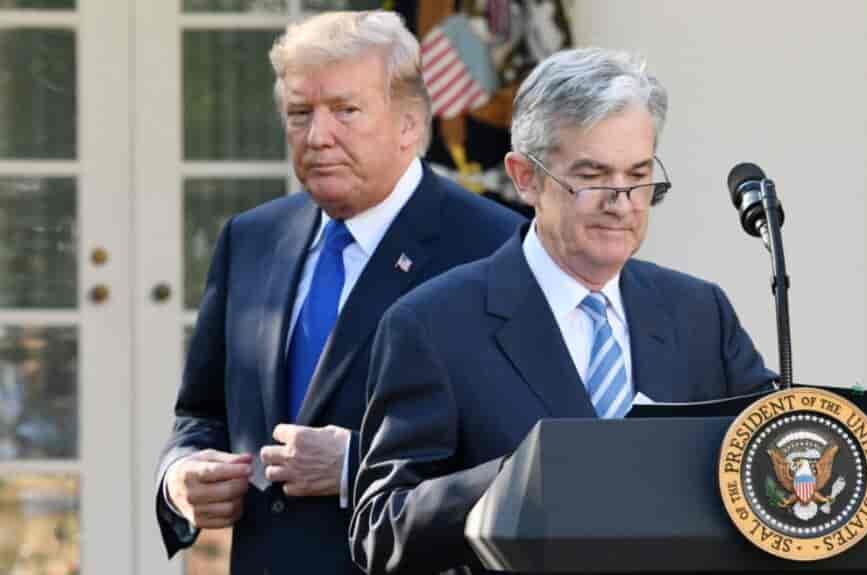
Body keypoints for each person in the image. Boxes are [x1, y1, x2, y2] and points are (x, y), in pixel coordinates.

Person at [349, 47, 778, 574]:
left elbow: (769, 460)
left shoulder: (699, 313)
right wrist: (521, 478)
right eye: (593, 176)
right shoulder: (432, 324)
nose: (622, 203)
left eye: (638, 174)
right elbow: (380, 531)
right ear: (524, 177)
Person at [154, 11, 523, 574]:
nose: (318, 136)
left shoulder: (495, 248)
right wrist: (179, 477)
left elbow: (517, 461)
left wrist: (356, 465)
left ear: (409, 124)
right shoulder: (251, 240)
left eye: (346, 110)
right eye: (300, 113)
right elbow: (201, 412)